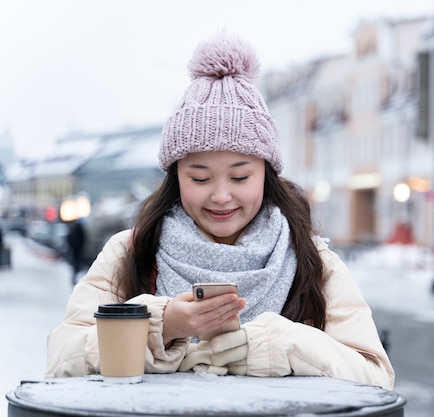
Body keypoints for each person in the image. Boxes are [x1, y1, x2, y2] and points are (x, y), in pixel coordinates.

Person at [46, 31, 394, 390]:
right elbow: (61, 359)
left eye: (241, 176)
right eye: (199, 179)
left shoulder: (312, 259)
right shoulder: (132, 251)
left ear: (266, 175)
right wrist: (161, 326)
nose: (222, 196)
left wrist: (279, 345)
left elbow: (375, 377)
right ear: (176, 178)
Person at [65, 219, 86, 285]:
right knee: (76, 264)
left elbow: (69, 238)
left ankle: (75, 275)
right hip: (77, 249)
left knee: (76, 264)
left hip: (76, 249)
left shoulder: (75, 229)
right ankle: (75, 275)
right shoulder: (78, 229)